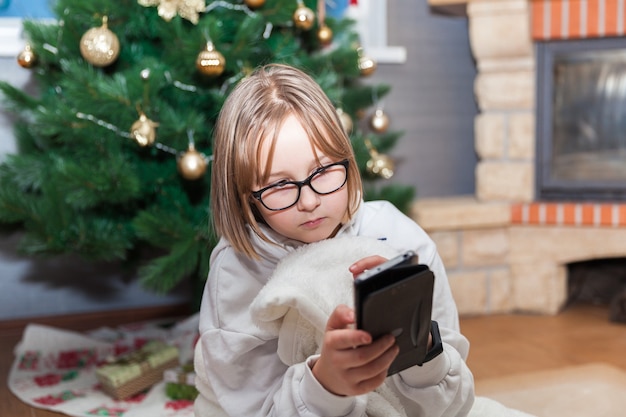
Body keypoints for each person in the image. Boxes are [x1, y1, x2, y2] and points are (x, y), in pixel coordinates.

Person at [194, 63, 475, 417]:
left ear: (347, 159)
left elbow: (456, 404)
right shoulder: (237, 271)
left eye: (324, 170)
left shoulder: (398, 237)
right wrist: (325, 384)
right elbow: (253, 407)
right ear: (245, 195)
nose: (309, 201)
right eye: (279, 185)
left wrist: (418, 341)